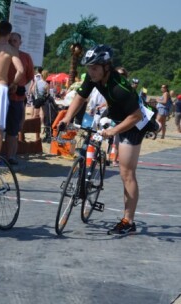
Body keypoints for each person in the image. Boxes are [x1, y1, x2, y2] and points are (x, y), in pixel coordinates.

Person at [58, 44, 159, 235]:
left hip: (135, 122)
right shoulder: (93, 76)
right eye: (88, 67)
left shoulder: (120, 86)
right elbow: (80, 97)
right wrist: (67, 117)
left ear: (106, 67)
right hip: (118, 117)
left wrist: (114, 131)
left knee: (126, 172)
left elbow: (135, 116)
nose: (90, 71)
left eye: (94, 68)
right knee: (97, 136)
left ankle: (128, 221)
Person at [0, 21, 24, 165]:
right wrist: (13, 84)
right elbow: (20, 70)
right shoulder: (10, 49)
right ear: (9, 33)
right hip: (1, 87)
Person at [7, 32, 34, 164]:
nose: (12, 43)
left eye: (15, 41)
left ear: (20, 43)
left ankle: (11, 156)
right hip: (2, 94)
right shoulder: (3, 55)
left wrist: (18, 84)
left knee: (14, 129)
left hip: (17, 97)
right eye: (10, 40)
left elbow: (29, 75)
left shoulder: (25, 57)